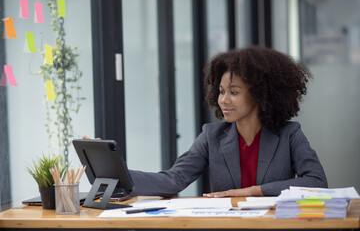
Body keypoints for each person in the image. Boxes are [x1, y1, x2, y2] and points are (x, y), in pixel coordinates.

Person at [84, 46, 328, 197]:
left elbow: (316, 182)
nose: (224, 100)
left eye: (234, 92)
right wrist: (115, 169)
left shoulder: (289, 134)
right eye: (221, 91)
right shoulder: (212, 136)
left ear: (259, 94)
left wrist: (255, 191)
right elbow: (173, 180)